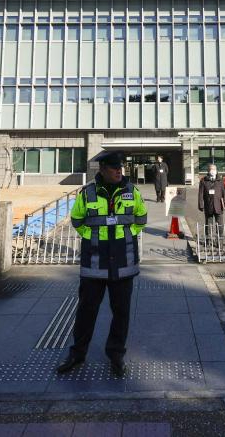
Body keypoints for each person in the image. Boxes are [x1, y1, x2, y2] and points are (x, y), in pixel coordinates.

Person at [58, 151, 148, 377]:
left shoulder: (132, 192)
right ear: (103, 169)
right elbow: (77, 220)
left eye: (121, 167)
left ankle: (116, 354)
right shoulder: (87, 193)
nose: (119, 171)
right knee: (86, 311)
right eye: (114, 168)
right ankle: (78, 354)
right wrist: (93, 239)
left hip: (123, 262)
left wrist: (127, 236)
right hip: (94, 263)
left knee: (121, 313)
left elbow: (141, 218)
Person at [198, 164, 225, 233]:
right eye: (211, 169)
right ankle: (208, 238)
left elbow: (224, 193)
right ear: (208, 171)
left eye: (214, 169)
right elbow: (200, 194)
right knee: (208, 224)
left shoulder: (220, 181)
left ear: (216, 170)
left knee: (220, 224)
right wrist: (200, 205)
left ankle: (220, 238)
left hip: (218, 205)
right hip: (208, 205)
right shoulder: (203, 181)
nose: (213, 171)